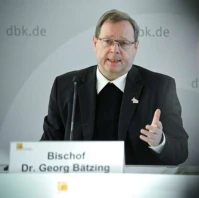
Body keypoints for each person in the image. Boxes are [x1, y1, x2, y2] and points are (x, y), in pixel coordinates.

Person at [40, 9, 189, 165]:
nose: (115, 50)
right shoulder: (67, 86)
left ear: (136, 47)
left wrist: (159, 142)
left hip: (140, 187)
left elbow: (181, 151)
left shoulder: (160, 87)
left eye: (123, 43)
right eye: (108, 41)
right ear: (95, 43)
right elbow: (48, 147)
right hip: (79, 185)